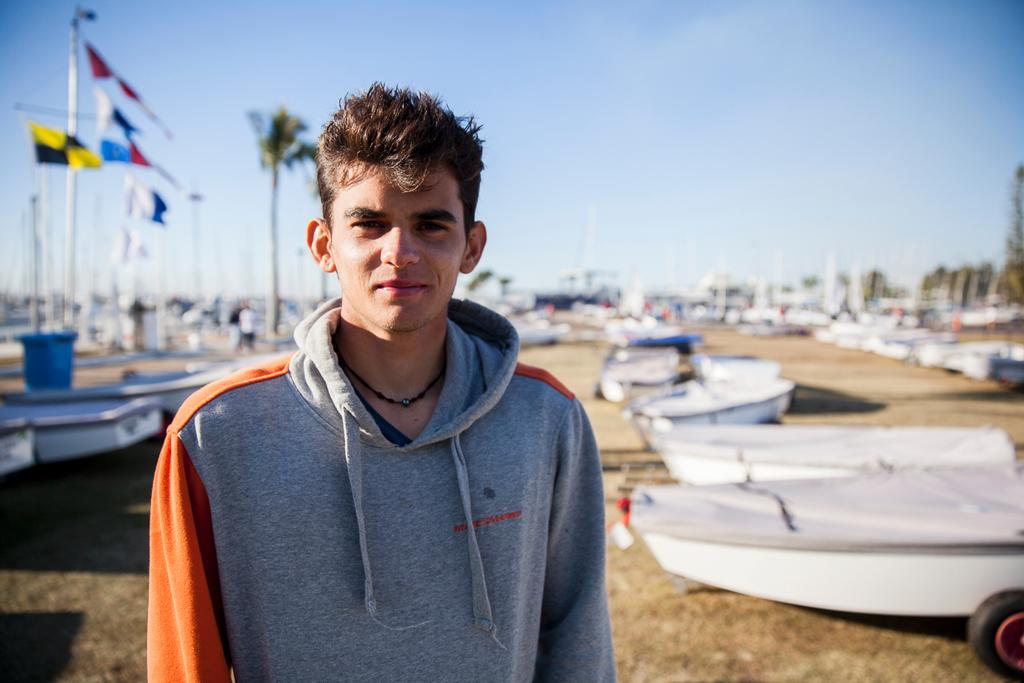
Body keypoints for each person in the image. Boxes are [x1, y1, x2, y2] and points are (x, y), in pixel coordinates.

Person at [148, 83, 615, 682]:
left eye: (431, 225)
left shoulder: (546, 416)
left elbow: (577, 638)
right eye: (369, 224)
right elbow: (186, 662)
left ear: (472, 246)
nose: (400, 251)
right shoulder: (215, 434)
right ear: (324, 245)